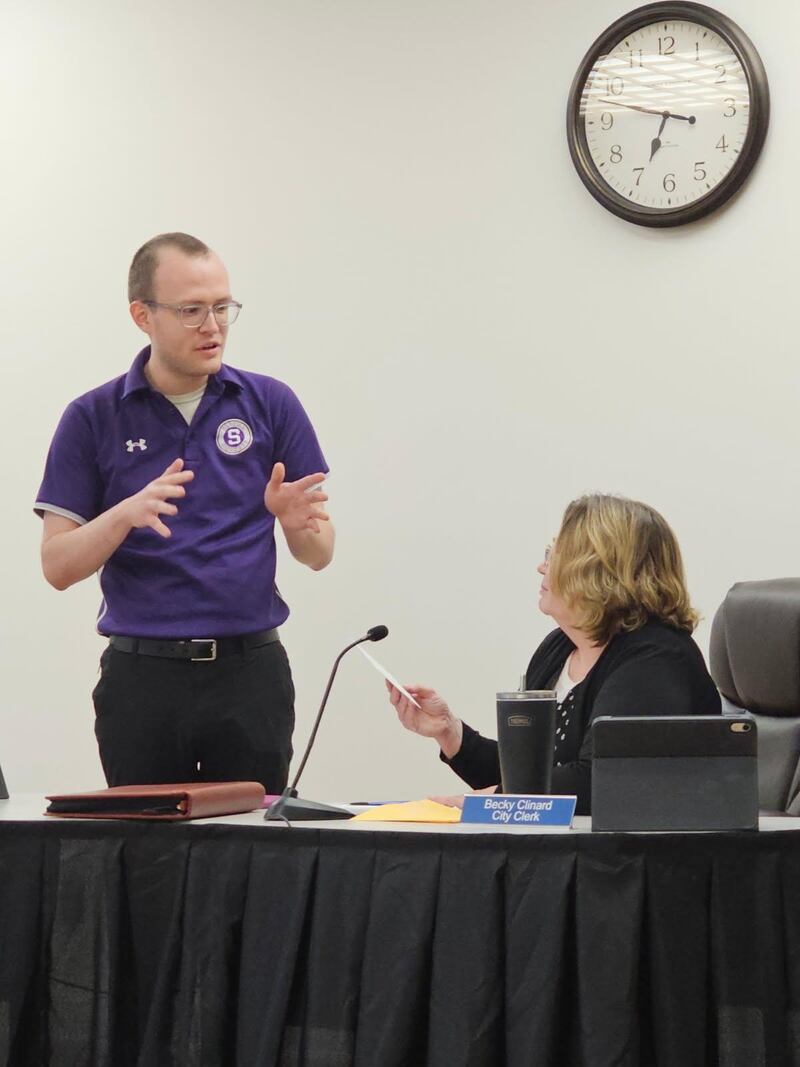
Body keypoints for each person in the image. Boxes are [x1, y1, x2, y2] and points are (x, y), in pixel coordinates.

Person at [35, 232, 334, 792]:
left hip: (250, 673)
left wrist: (297, 526)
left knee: (253, 861)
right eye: (191, 310)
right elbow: (57, 567)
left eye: (223, 307)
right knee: (150, 864)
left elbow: (319, 555)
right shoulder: (91, 417)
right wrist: (123, 514)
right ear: (142, 315)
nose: (213, 326)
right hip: (142, 678)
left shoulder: (271, 402)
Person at [387, 493, 720, 814]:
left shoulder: (656, 659)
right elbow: (529, 777)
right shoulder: (557, 648)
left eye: (554, 555)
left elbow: (604, 781)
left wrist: (494, 799)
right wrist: (450, 732)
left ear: (596, 570)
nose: (541, 567)